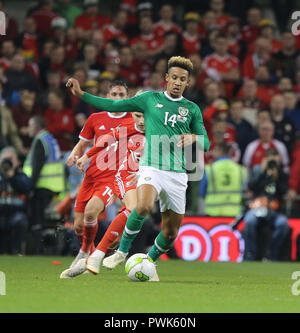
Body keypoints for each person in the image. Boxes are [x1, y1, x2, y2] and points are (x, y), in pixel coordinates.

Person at [66, 56, 210, 277]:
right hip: (150, 168)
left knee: (170, 233)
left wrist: (193, 137)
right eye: (174, 78)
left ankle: (148, 261)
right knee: (142, 207)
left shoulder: (191, 109)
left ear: (187, 83)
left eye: (182, 79)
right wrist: (81, 94)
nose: (177, 82)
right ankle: (115, 253)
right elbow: (113, 105)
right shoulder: (148, 99)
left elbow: (206, 142)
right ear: (166, 79)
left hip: (178, 173)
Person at [59, 81, 133, 276]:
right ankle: (88, 249)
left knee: (91, 212)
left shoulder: (133, 119)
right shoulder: (95, 118)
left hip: (112, 178)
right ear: (107, 96)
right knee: (78, 225)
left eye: (122, 95)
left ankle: (85, 252)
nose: (118, 98)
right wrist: (75, 154)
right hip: (91, 176)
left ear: (127, 97)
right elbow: (82, 144)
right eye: (114, 94)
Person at [23, 115, 65, 254]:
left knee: (38, 221)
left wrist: (29, 187)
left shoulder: (40, 140)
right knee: (48, 223)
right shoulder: (50, 139)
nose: (28, 128)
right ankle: (46, 249)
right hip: (54, 186)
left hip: (43, 186)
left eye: (30, 125)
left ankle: (37, 250)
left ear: (36, 127)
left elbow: (37, 166)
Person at [243, 149, 290, 261]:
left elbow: (283, 191)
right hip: (257, 208)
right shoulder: (258, 170)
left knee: (283, 224)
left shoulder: (282, 173)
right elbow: (252, 186)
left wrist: (275, 177)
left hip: (274, 210)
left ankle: (271, 255)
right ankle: (251, 255)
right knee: (249, 221)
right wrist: (263, 173)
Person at [199, 142, 247, 217]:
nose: (213, 152)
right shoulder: (240, 170)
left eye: (215, 150)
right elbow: (244, 191)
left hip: (213, 213)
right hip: (235, 213)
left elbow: (202, 192)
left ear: (220, 151)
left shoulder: (210, 169)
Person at [0, 146, 31, 254]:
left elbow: (27, 188)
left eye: (10, 159)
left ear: (17, 161)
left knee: (20, 220)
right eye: (5, 159)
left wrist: (12, 177)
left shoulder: (21, 176)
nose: (7, 162)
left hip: (15, 213)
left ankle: (16, 252)